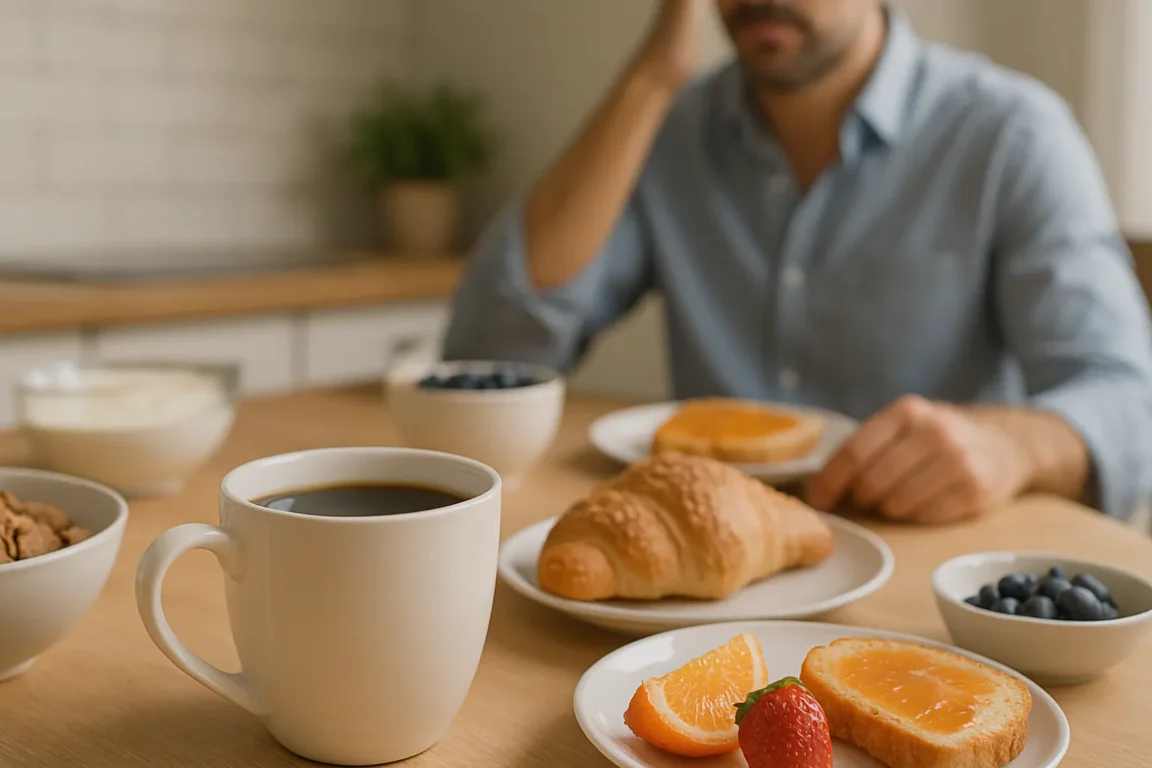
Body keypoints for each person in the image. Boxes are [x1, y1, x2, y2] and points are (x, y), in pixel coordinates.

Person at [440, 0, 1152, 525]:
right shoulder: (669, 130)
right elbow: (487, 357)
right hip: (703, 564)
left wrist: (1015, 447)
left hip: (921, 576)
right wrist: (651, 77)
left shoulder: (1009, 134)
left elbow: (1128, 399)